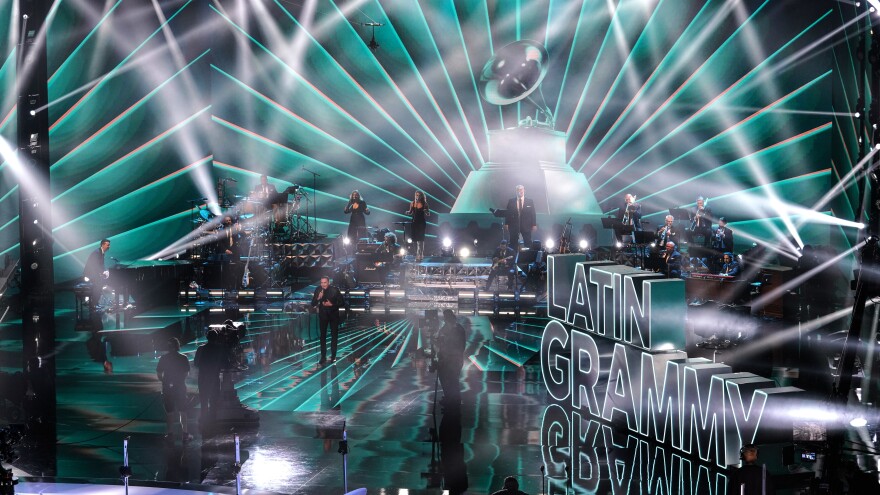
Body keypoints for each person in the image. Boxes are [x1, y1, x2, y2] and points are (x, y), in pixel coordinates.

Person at [156, 338, 193, 443]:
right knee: (183, 411)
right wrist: (180, 381)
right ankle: (185, 434)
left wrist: (165, 382)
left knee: (170, 412)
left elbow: (159, 374)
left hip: (168, 388)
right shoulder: (183, 358)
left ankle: (170, 434)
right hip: (180, 387)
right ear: (177, 346)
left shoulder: (163, 358)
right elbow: (186, 373)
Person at [194, 329, 227, 426]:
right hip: (214, 378)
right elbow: (224, 363)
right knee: (214, 400)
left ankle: (204, 420)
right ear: (216, 338)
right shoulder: (220, 349)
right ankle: (213, 420)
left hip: (203, 378)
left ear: (207, 337)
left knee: (203, 400)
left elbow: (196, 363)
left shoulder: (201, 349)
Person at [311, 276, 344, 365]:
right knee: (323, 336)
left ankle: (333, 356)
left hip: (333, 315)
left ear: (328, 282)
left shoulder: (335, 290)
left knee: (334, 336)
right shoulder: (318, 290)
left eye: (325, 282)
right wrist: (318, 298)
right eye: (321, 283)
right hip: (323, 315)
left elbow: (342, 302)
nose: (323, 284)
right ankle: (323, 356)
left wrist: (332, 304)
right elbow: (313, 303)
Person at [437, 309, 466, 407]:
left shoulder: (457, 329)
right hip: (447, 359)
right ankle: (449, 397)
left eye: (446, 317)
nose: (444, 319)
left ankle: (454, 399)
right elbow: (441, 342)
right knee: (446, 379)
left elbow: (459, 345)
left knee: (452, 379)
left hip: (454, 359)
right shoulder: (446, 328)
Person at [83, 239, 111, 312]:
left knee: (99, 286)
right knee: (97, 287)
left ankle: (95, 303)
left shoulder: (101, 252)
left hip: (95, 273)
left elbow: (101, 264)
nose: (109, 247)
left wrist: (105, 270)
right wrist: (102, 272)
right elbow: (95, 265)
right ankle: (93, 304)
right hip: (91, 274)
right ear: (103, 245)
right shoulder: (97, 253)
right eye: (108, 245)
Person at [406, 191, 431, 261]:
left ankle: (420, 254)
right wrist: (407, 212)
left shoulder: (424, 203)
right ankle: (416, 253)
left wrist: (426, 211)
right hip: (414, 222)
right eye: (416, 195)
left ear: (421, 196)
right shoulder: (412, 203)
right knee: (414, 240)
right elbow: (410, 212)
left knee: (420, 239)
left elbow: (428, 213)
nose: (417, 196)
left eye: (419, 195)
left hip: (421, 223)